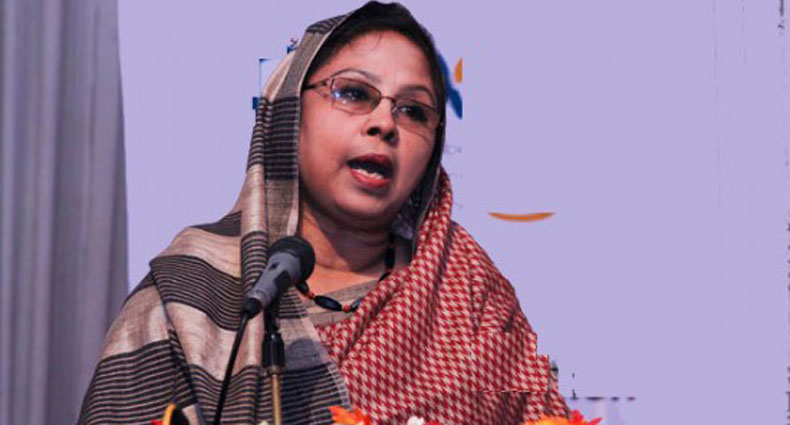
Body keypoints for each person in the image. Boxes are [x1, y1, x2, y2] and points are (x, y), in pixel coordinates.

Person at [78, 2, 569, 424]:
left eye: (414, 111)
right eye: (354, 93)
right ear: (291, 113)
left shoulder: (471, 292)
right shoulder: (192, 292)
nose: (385, 123)